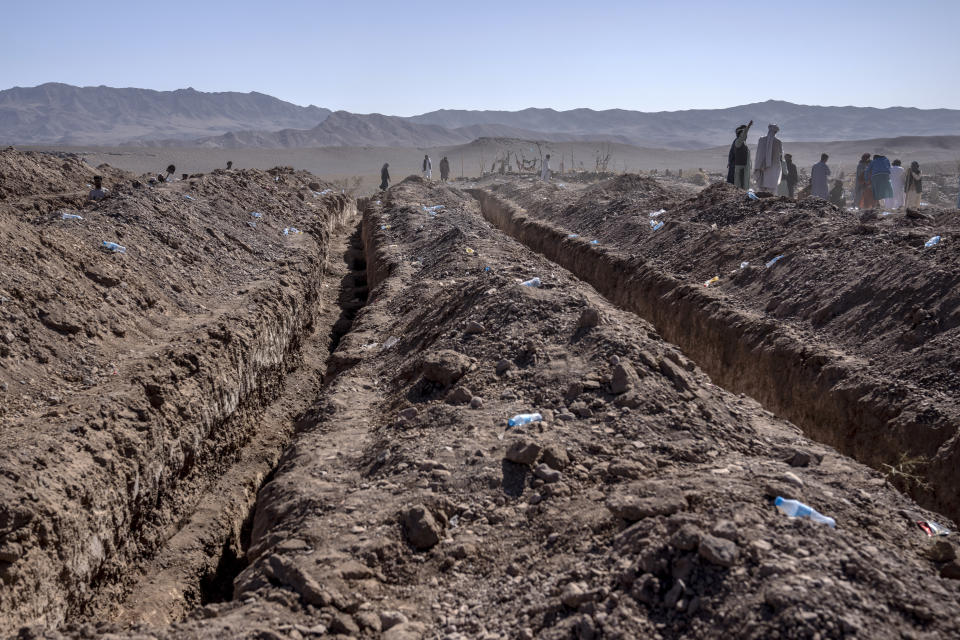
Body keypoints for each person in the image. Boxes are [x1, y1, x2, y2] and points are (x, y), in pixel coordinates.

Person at [754, 124, 783, 192]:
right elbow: (781, 155)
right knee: (772, 186)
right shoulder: (778, 142)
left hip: (762, 167)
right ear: (775, 132)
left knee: (763, 185)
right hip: (774, 167)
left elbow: (758, 154)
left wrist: (759, 164)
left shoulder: (761, 140)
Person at [727, 121, 752, 189]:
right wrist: (748, 126)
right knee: (738, 183)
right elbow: (731, 154)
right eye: (744, 133)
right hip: (737, 166)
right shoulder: (738, 141)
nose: (746, 135)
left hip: (740, 166)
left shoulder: (742, 143)